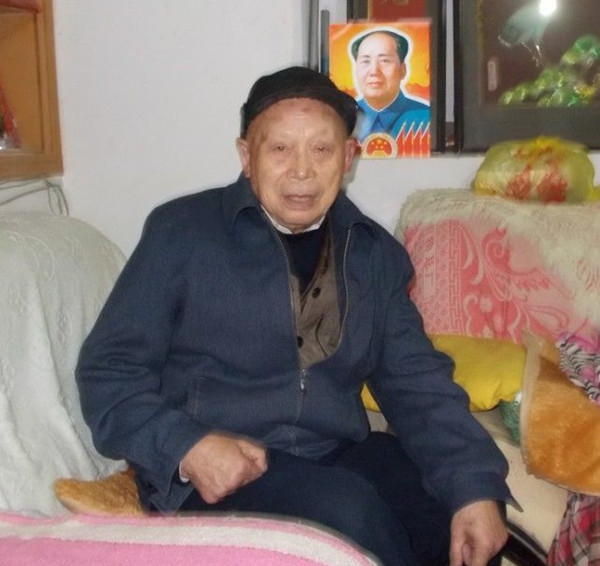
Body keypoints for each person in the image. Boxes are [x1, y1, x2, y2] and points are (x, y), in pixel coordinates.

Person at [76, 65, 511, 566]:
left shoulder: (373, 255)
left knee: (455, 506)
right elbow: (108, 371)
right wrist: (186, 446)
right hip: (220, 468)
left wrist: (475, 486)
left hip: (331, 453)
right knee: (349, 513)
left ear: (348, 156)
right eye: (280, 149)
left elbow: (417, 384)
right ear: (247, 157)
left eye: (322, 150)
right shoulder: (181, 234)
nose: (302, 170)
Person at [350, 29, 430, 149]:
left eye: (384, 61)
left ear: (403, 70)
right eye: (365, 61)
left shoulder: (426, 118)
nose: (374, 71)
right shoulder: (343, 118)